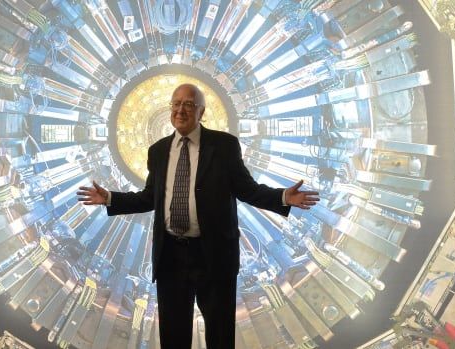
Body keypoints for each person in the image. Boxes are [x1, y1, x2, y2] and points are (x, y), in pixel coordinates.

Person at [77, 83, 319, 348]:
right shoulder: (158, 151)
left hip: (213, 255)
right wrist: (110, 198)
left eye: (189, 104)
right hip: (170, 255)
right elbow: (149, 197)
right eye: (176, 103)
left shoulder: (224, 146)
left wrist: (283, 197)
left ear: (201, 112)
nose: (181, 110)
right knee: (173, 335)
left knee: (219, 334)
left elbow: (246, 189)